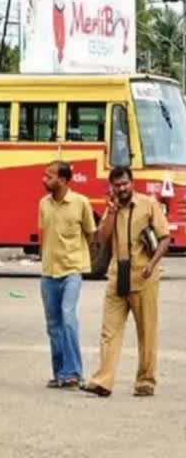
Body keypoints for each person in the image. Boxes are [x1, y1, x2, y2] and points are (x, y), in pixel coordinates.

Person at [81, 167, 170, 397]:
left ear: (132, 183)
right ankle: (103, 381)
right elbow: (101, 239)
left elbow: (164, 239)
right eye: (117, 185)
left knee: (146, 331)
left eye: (124, 184)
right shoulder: (113, 208)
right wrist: (110, 212)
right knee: (109, 331)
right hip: (116, 276)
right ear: (111, 187)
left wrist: (152, 264)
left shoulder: (149, 204)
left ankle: (145, 380)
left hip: (144, 277)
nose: (121, 189)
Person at [38, 161, 96, 389]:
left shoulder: (81, 203)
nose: (45, 179)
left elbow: (90, 235)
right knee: (53, 325)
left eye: (49, 176)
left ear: (62, 180)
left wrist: (78, 257)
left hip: (72, 270)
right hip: (48, 272)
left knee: (68, 318)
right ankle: (60, 373)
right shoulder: (43, 204)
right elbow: (45, 235)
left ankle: (73, 372)